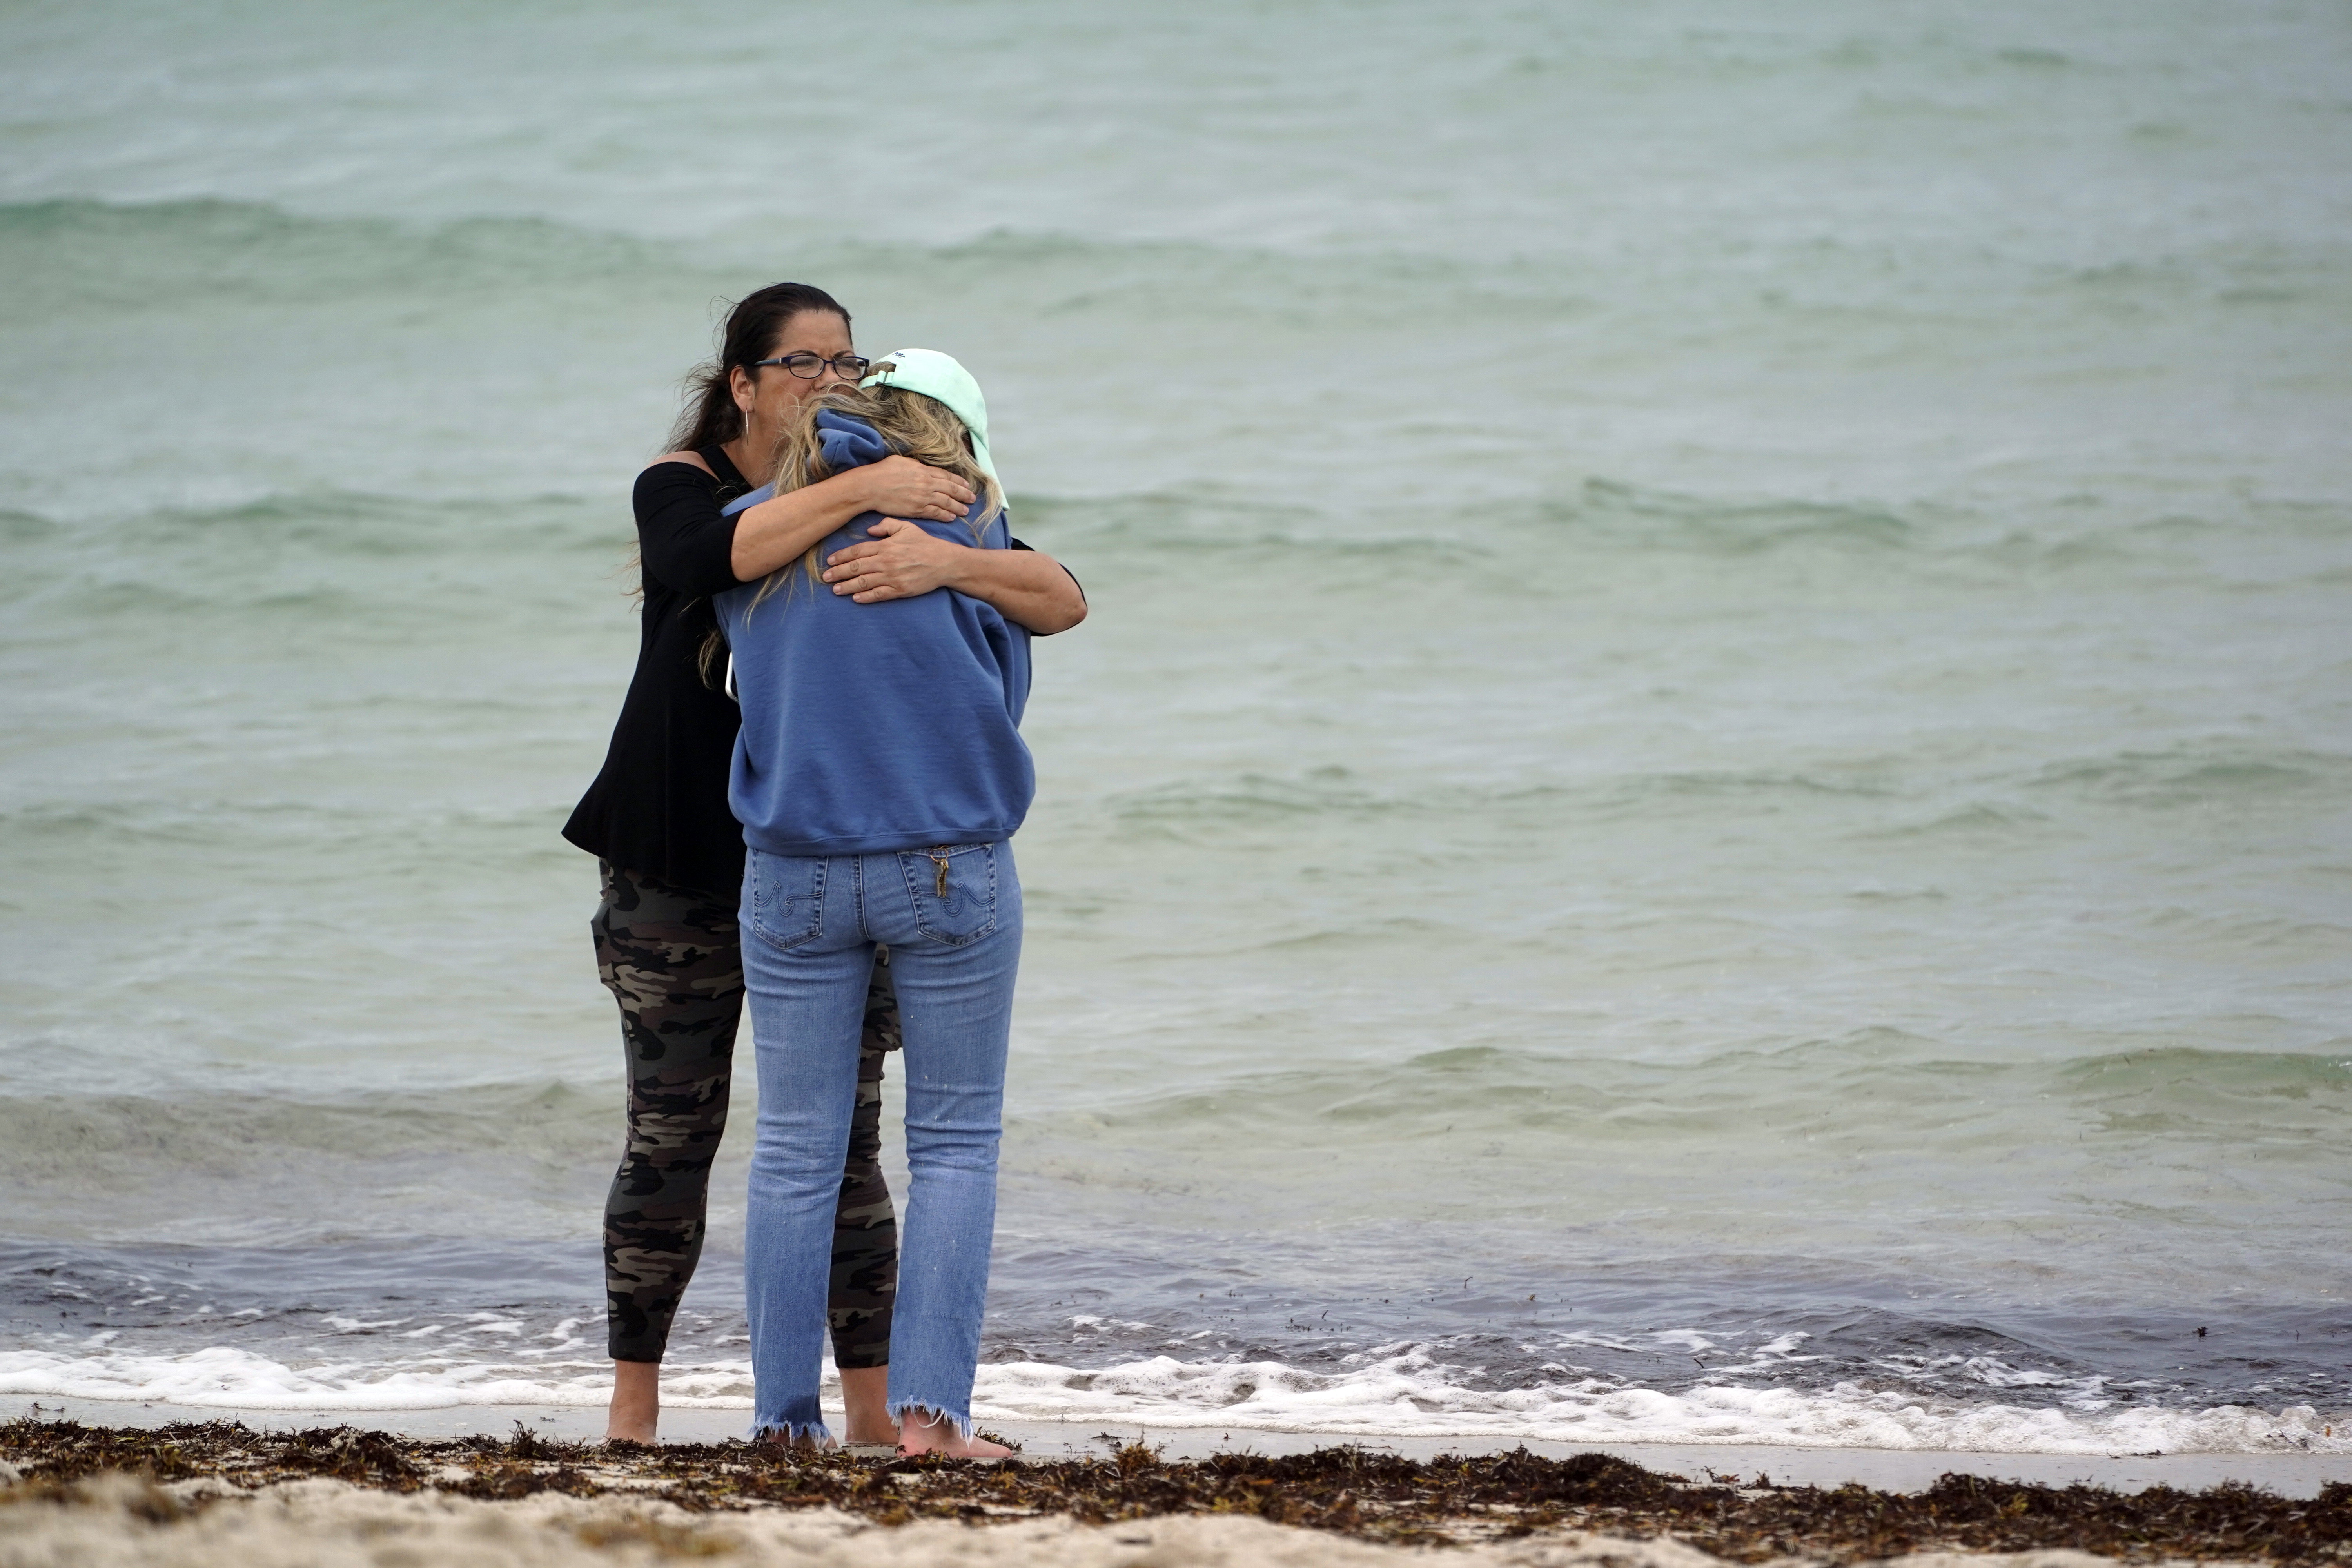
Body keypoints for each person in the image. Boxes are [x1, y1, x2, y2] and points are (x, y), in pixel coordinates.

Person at [563, 286, 1085, 1445]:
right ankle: (683, 1411)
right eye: (802, 362)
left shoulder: (887, 523)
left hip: (788, 864)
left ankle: (812, 1421)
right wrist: (887, 501)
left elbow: (1063, 593)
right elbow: (707, 554)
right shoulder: (707, 495)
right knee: (711, 1136)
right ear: (742, 381)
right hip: (707, 864)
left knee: (822, 1150)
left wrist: (935, 554)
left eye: (845, 363)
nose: (827, 381)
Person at [715, 354, 1048, 1457]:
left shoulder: (754, 532)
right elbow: (1064, 602)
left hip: (793, 869)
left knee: (795, 1152)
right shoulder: (965, 527)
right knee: (954, 1144)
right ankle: (931, 1420)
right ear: (949, 437)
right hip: (947, 861)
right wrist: (957, 560)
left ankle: (781, 1423)